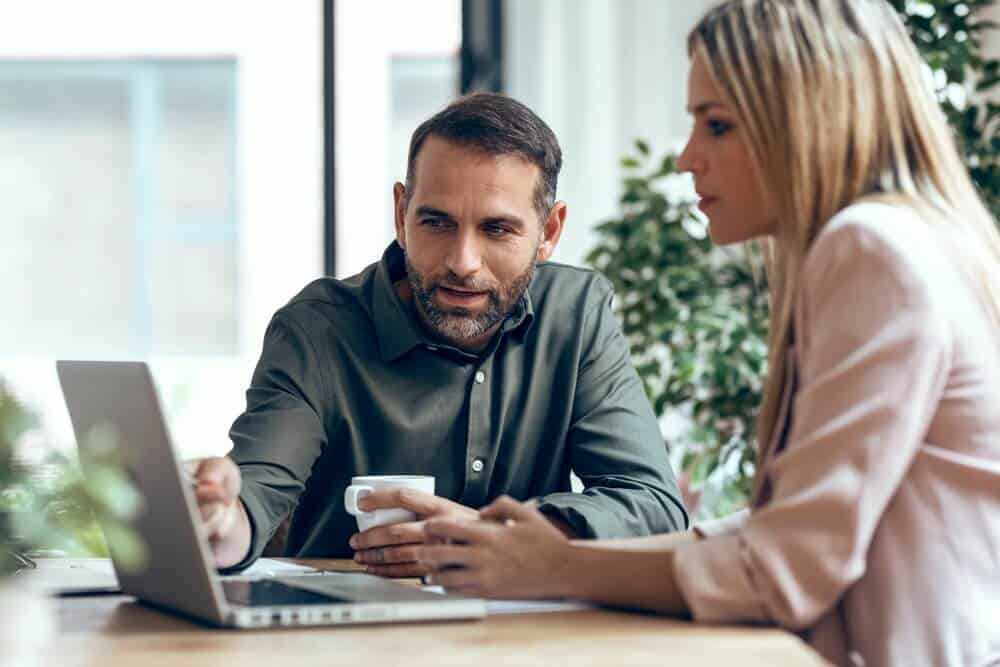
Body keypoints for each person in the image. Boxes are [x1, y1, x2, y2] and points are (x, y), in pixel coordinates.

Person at [417, 2, 1000, 666]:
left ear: (806, 122)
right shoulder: (924, 237)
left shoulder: (872, 251)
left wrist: (555, 566)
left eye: (717, 125)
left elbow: (781, 571)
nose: (689, 157)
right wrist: (549, 551)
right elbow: (786, 532)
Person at [190, 93, 688, 578]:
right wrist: (220, 523)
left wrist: (498, 535)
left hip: (527, 635)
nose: (461, 262)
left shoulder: (577, 315)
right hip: (347, 638)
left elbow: (652, 502)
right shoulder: (317, 329)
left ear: (549, 231)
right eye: (436, 222)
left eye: (497, 230)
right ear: (401, 214)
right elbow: (251, 500)